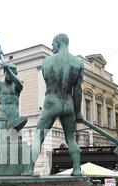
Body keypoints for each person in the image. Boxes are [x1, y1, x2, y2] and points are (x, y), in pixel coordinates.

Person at [28, 33, 84, 176]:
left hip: (52, 101)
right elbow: (77, 91)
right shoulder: (78, 64)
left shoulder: (46, 62)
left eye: (53, 44)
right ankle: (77, 169)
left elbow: (48, 82)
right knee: (71, 139)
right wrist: (77, 112)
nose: (52, 46)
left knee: (39, 136)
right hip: (68, 103)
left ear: (58, 42)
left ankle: (29, 169)